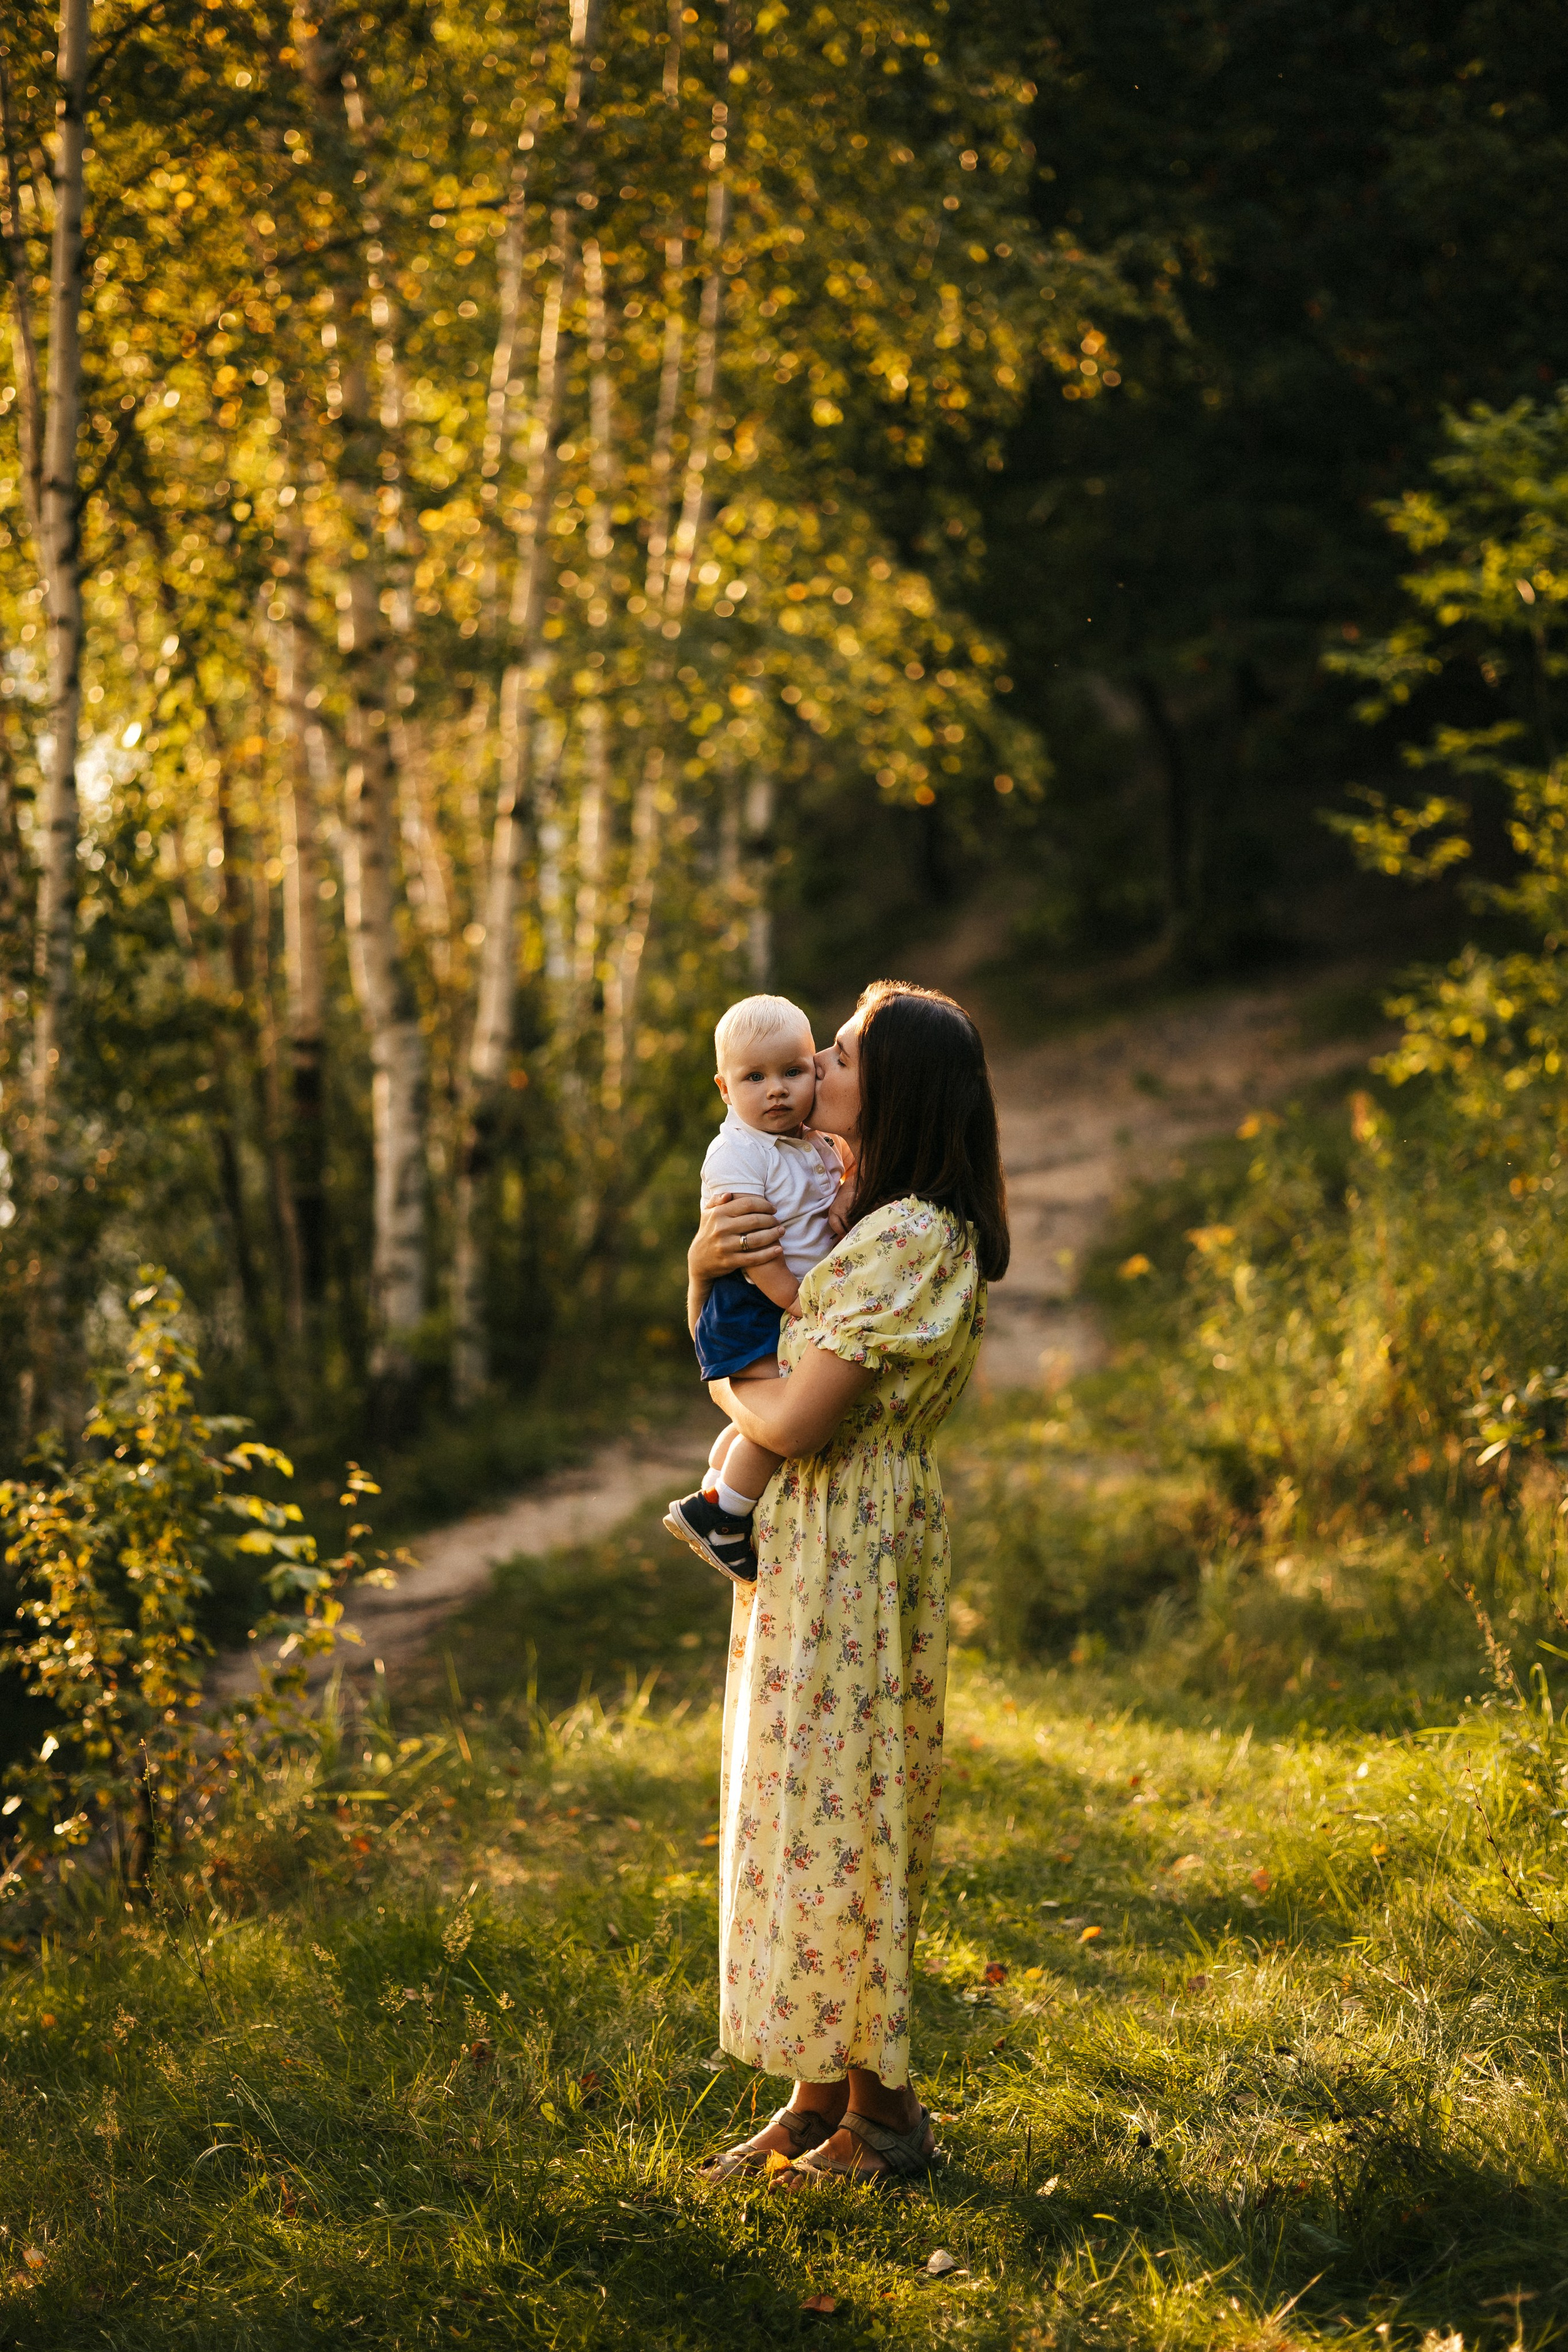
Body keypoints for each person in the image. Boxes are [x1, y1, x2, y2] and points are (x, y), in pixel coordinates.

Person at [687, 979, 1009, 2188]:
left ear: (893, 1090)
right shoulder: (864, 1220)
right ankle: (817, 2093)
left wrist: (711, 1353)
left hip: (854, 1550)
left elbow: (802, 1417)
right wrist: (704, 1275)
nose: (810, 1065)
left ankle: (885, 2119)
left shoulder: (912, 1237)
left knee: (847, 1820)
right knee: (804, 1813)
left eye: (836, 1052)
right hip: (820, 1549)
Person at [665, 994, 849, 1587]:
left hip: (777, 1292)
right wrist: (794, 1300)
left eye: (791, 1072)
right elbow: (752, 1248)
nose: (776, 1090)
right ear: (724, 1089)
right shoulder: (737, 1152)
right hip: (750, 1299)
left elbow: (832, 1172)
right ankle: (721, 1516)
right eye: (754, 1077)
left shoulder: (807, 1137)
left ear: (812, 1072)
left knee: (767, 1411)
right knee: (777, 1420)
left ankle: (719, 1476)